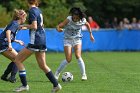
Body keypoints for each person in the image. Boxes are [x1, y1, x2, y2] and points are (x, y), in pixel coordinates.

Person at [13, 0, 62, 92]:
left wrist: (23, 26)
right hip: (42, 39)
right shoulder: (38, 10)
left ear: (27, 2)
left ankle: (24, 85)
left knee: (17, 60)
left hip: (35, 40)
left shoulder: (32, 11)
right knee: (43, 65)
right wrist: (26, 27)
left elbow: (34, 26)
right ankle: (56, 85)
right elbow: (40, 25)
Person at [55, 7, 95, 81]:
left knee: (78, 55)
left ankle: (84, 74)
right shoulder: (69, 19)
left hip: (77, 39)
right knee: (68, 59)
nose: (75, 19)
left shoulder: (83, 20)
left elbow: (88, 25)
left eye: (77, 18)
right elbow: (58, 26)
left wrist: (91, 34)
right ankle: (57, 73)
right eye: (74, 17)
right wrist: (58, 29)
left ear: (80, 17)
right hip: (67, 40)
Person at [0, 9, 26, 83]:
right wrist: (10, 44)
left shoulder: (15, 24)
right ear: (21, 17)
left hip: (2, 43)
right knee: (18, 59)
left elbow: (22, 27)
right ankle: (12, 77)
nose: (25, 19)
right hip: (3, 44)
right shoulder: (15, 24)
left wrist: (16, 41)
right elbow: (8, 32)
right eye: (25, 17)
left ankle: (5, 76)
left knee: (16, 60)